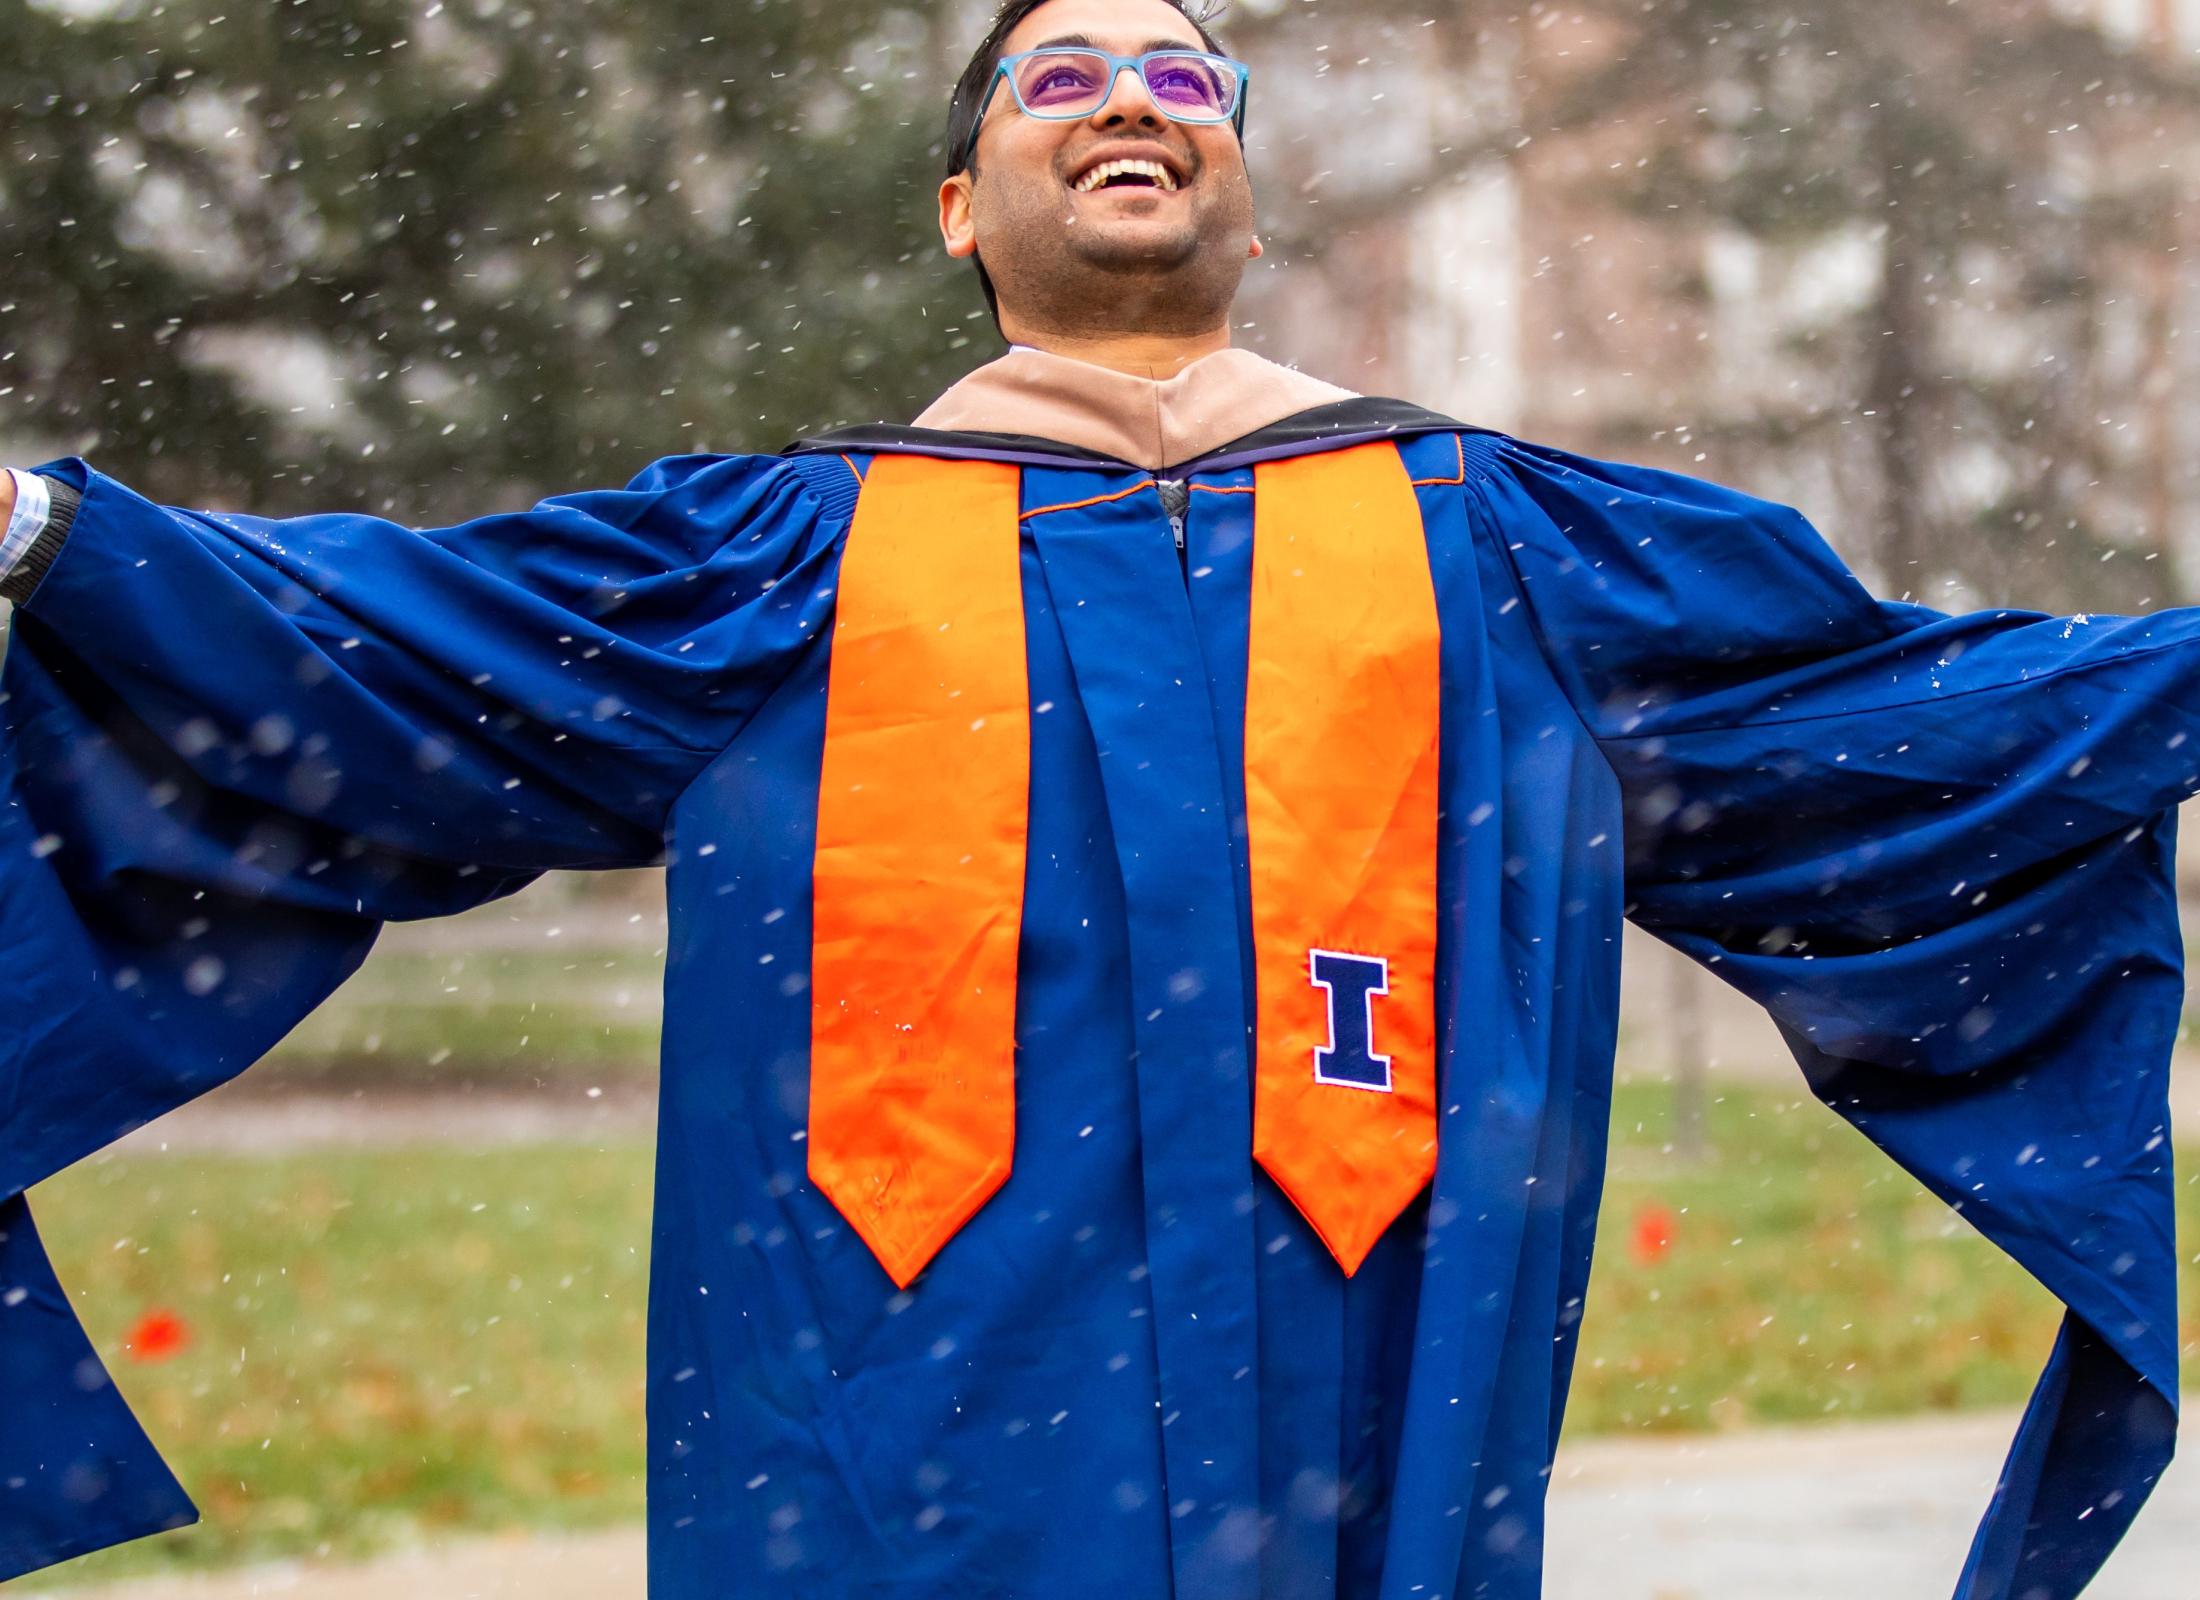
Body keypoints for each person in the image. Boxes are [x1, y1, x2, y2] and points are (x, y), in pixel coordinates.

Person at [0, 0, 2184, 1595]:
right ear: (963, 205)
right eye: (1058, 77)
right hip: (896, 1416)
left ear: (1241, 190)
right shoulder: (772, 561)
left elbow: (1902, 710)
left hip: (1366, 1401)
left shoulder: (1502, 547)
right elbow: (365, 645)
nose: (1130, 100)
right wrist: (35, 533)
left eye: (1180, 82)